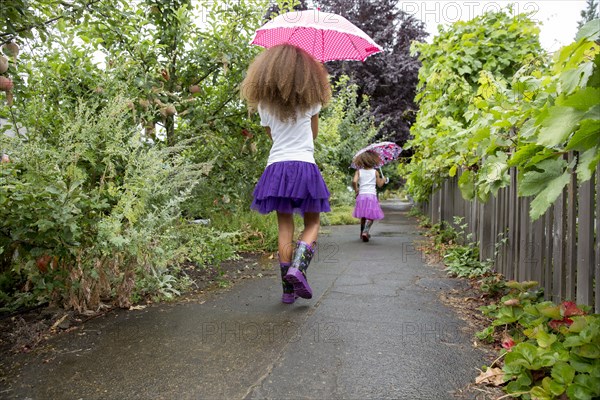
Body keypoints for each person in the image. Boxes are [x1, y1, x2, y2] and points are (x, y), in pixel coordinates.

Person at [241, 44, 332, 304]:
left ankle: (287, 291)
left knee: (284, 227)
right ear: (304, 72)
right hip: (304, 165)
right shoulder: (311, 100)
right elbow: (313, 135)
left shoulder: (264, 105)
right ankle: (299, 268)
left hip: (277, 168)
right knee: (312, 223)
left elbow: (271, 136)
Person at [352, 150, 386, 242]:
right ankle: (365, 232)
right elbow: (379, 185)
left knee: (363, 215)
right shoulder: (375, 172)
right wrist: (384, 180)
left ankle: (361, 233)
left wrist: (356, 190)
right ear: (373, 160)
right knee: (371, 216)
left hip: (361, 195)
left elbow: (354, 181)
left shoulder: (359, 171)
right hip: (371, 196)